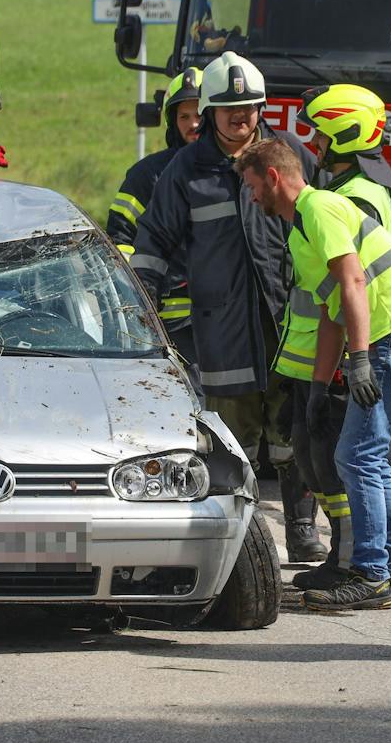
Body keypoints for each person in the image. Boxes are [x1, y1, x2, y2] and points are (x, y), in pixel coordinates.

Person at [128, 52, 326, 563]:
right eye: (230, 109)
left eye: (250, 108)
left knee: (296, 431)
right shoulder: (186, 171)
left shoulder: (290, 156)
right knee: (231, 440)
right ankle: (241, 543)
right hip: (223, 327)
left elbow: (328, 224)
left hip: (287, 320)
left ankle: (303, 527)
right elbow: (154, 242)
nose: (242, 118)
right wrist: (141, 309)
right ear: (210, 112)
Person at [238, 138, 391, 610]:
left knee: (357, 456)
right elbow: (331, 312)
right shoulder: (300, 226)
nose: (250, 198)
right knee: (370, 457)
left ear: (273, 177)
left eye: (251, 186)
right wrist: (321, 387)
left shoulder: (320, 208)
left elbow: (353, 281)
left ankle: (372, 576)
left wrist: (361, 358)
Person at [280, 84, 391, 593]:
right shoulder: (357, 187)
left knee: (353, 458)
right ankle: (385, 568)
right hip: (334, 348)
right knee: (343, 456)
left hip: (352, 349)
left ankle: (365, 567)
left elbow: (353, 287)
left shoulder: (350, 197)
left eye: (317, 133)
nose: (311, 145)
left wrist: (350, 363)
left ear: (342, 134)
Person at [107, 68, 201, 363]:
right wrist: (137, 292)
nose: (193, 124)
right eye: (183, 117)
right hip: (167, 321)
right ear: (172, 121)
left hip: (223, 320)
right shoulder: (147, 175)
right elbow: (119, 237)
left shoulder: (234, 171)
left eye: (199, 114)